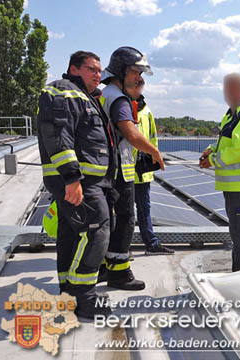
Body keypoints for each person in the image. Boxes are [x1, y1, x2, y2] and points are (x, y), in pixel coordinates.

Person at [37, 51, 116, 318]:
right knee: (97, 230)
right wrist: (72, 178)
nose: (98, 75)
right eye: (92, 69)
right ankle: (85, 299)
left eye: (99, 70)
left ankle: (68, 294)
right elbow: (58, 136)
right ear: (74, 68)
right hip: (79, 181)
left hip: (87, 181)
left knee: (71, 236)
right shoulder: (64, 92)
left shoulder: (85, 97)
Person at [99, 46, 165, 290]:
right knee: (126, 220)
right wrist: (154, 151)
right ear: (121, 70)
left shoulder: (106, 93)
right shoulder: (118, 98)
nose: (140, 78)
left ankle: (106, 267)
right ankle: (119, 273)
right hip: (118, 170)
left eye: (141, 73)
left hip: (109, 169)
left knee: (113, 220)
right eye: (136, 72)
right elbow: (129, 132)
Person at [199, 73, 240, 272]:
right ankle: (239, 278)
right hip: (236, 188)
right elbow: (227, 143)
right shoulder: (231, 115)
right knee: (238, 237)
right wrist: (212, 149)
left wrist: (212, 160)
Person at [129, 79, 174, 255]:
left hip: (143, 173)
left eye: (139, 85)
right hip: (124, 171)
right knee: (122, 213)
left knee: (144, 210)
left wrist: (151, 160)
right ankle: (122, 248)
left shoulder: (146, 111)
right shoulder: (120, 106)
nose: (137, 88)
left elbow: (153, 139)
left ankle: (152, 244)